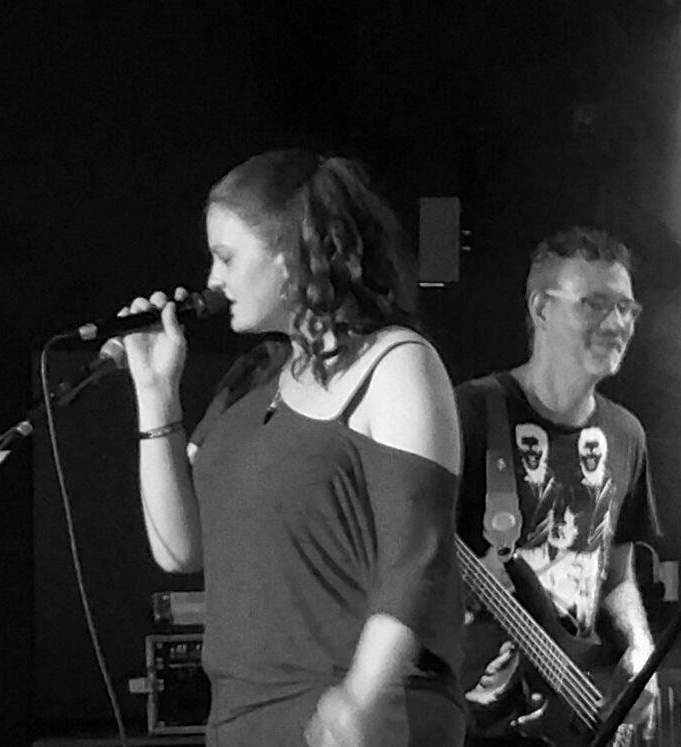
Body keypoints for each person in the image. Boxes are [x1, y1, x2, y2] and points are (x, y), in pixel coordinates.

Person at [118, 149, 465, 747]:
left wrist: (363, 696)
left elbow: (419, 555)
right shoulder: (252, 380)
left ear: (291, 250)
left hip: (358, 713)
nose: (212, 281)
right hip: (241, 717)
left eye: (227, 257)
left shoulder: (394, 362)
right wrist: (155, 394)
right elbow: (179, 549)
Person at [455, 227, 662, 745]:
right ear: (542, 308)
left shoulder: (626, 435)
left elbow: (616, 576)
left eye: (626, 309)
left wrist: (640, 649)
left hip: (582, 707)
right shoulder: (469, 415)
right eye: (595, 304)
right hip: (479, 719)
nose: (617, 323)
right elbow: (410, 554)